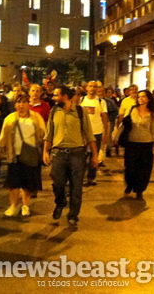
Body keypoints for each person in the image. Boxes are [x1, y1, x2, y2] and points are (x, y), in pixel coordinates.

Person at [43, 86, 98, 232]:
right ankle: (60, 202)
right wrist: (45, 152)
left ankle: (73, 215)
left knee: (76, 187)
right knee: (58, 183)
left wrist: (95, 155)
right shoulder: (54, 111)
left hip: (77, 154)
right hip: (58, 153)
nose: (53, 98)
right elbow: (49, 133)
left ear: (65, 97)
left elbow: (89, 134)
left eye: (56, 95)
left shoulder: (80, 111)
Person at [0, 94, 46, 217]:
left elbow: (43, 134)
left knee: (28, 183)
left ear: (28, 104)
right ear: (15, 105)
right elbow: (3, 136)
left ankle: (25, 205)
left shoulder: (36, 117)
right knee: (13, 184)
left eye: (24, 102)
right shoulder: (10, 118)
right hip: (14, 155)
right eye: (18, 102)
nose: (21, 105)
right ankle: (13, 205)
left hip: (30, 155)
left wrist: (44, 150)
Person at [118, 90, 154, 200]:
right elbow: (124, 124)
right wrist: (116, 135)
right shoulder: (132, 110)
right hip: (132, 143)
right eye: (139, 97)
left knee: (143, 169)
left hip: (146, 144)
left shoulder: (152, 114)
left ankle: (139, 190)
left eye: (144, 97)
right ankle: (130, 185)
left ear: (148, 99)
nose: (141, 98)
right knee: (130, 167)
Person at [80, 81, 109, 186]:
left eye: (95, 87)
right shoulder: (81, 100)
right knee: (81, 156)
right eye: (90, 86)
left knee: (94, 156)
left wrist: (106, 133)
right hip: (83, 133)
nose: (92, 88)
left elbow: (105, 118)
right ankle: (80, 177)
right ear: (86, 88)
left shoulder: (101, 102)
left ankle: (91, 177)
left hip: (97, 132)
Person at [103, 86, 119, 158]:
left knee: (108, 136)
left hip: (109, 121)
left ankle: (108, 150)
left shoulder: (110, 102)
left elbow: (115, 112)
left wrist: (111, 121)